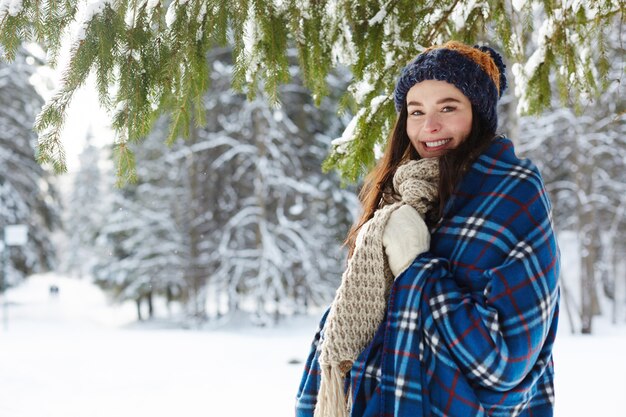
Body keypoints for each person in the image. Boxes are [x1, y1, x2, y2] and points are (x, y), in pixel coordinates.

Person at [295, 41, 560, 417]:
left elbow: (504, 364)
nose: (429, 126)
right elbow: (357, 322)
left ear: (478, 115)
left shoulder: (513, 195)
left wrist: (416, 265)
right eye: (416, 112)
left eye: (448, 108)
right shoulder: (401, 195)